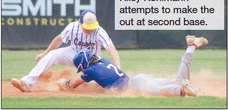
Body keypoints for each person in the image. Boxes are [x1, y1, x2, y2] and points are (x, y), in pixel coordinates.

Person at [57, 35, 208, 97]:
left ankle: (184, 89)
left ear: (83, 64)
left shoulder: (90, 70)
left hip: (137, 85)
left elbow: (74, 84)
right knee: (179, 81)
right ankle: (191, 47)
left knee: (176, 90)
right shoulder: (104, 62)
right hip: (137, 79)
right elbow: (103, 79)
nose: (82, 70)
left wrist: (64, 83)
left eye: (81, 67)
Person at [11, 10, 120, 92]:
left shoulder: (99, 31)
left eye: (92, 26)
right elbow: (59, 39)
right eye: (87, 27)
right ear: (80, 23)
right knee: (52, 55)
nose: (91, 29)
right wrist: (45, 54)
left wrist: (117, 68)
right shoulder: (72, 27)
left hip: (92, 60)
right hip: (72, 54)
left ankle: (68, 84)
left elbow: (111, 49)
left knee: (96, 85)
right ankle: (27, 82)